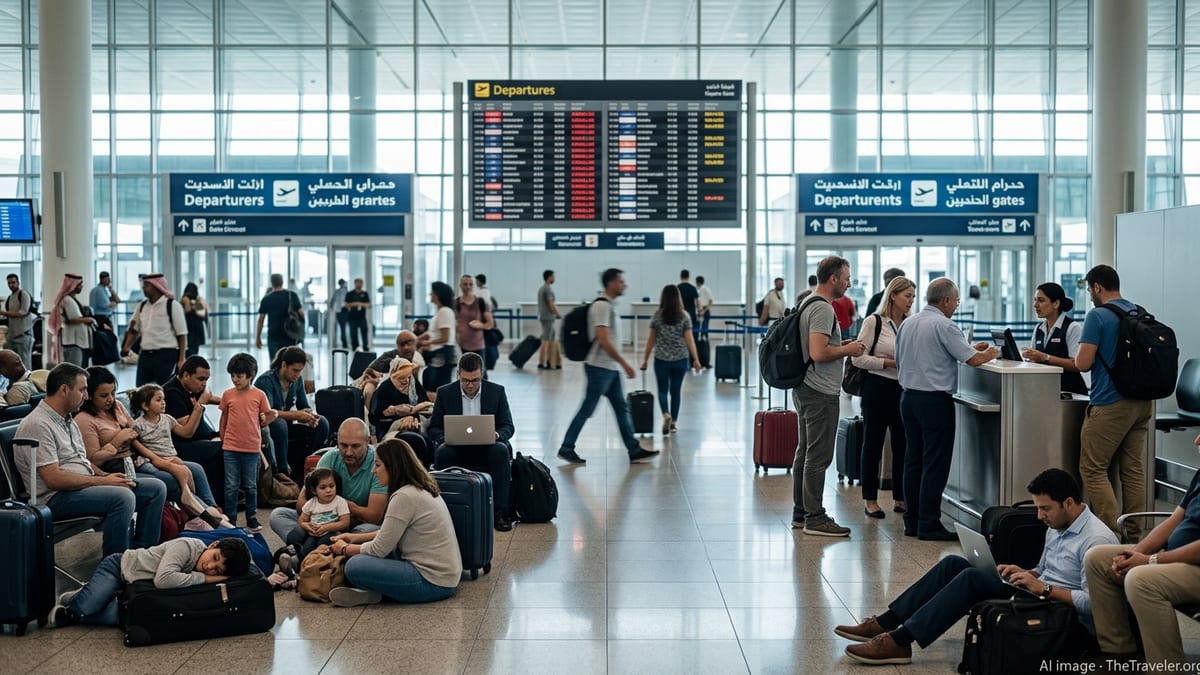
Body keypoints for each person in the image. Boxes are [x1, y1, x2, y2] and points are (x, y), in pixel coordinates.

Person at [838, 469, 1117, 666]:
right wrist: (1026, 573)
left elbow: (1096, 604)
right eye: (1037, 508)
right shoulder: (1058, 522)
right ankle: (886, 623)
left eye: (1045, 509)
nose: (1039, 515)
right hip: (1039, 594)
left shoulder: (1096, 540)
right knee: (953, 564)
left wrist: (1043, 587)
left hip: (1060, 613)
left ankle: (900, 641)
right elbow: (1044, 567)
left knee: (971, 579)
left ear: (1069, 503)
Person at [14, 363, 166, 556]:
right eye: (83, 390)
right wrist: (103, 481)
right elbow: (53, 479)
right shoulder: (38, 424)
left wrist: (107, 477)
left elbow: (82, 461)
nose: (86, 396)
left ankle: (142, 555)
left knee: (155, 488)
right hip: (54, 498)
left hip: (80, 487)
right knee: (122, 497)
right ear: (64, 390)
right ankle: (116, 565)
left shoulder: (66, 419)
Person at [895, 278, 1000, 540]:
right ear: (945, 301)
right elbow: (974, 360)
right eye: (955, 300)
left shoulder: (908, 323)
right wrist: (991, 353)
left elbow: (907, 357)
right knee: (935, 463)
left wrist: (967, 348)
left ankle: (913, 522)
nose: (956, 305)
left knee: (913, 461)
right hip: (934, 402)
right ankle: (929, 524)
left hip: (908, 399)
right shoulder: (945, 324)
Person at [1083, 434, 1200, 667]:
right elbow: (1174, 521)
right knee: (1098, 559)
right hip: (1178, 559)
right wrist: (1133, 553)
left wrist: (1150, 560)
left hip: (1195, 566)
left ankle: (1167, 669)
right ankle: (1119, 655)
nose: (1196, 441)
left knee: (1141, 579)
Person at [75, 366, 221, 526]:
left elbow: (137, 434)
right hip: (117, 467)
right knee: (172, 480)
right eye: (104, 395)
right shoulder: (84, 419)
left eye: (113, 393)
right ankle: (209, 518)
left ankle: (213, 511)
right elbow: (93, 462)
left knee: (196, 470)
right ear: (89, 395)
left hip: (137, 458)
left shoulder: (116, 407)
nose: (111, 399)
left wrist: (158, 457)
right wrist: (116, 443)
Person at [327, 438, 461, 607]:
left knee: (354, 566)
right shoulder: (418, 487)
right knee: (365, 535)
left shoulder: (404, 496)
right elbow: (390, 533)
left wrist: (345, 549)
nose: (373, 471)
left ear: (393, 467)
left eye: (378, 465)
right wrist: (354, 538)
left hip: (432, 582)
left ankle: (377, 593)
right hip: (445, 577)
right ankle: (375, 593)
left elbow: (379, 549)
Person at [1072, 264, 1154, 538]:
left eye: (1089, 289)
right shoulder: (1137, 311)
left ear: (1097, 287)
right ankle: (1134, 534)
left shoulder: (1097, 316)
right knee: (1132, 470)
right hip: (1142, 403)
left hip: (1110, 402)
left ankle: (1110, 534)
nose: (1090, 295)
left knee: (1092, 468)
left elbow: (1083, 363)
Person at [790, 256, 866, 538]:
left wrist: (840, 344)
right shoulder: (822, 309)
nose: (849, 283)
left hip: (806, 387)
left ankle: (801, 513)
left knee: (806, 451)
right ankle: (815, 517)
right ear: (833, 278)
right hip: (820, 391)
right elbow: (818, 353)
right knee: (818, 457)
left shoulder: (807, 302)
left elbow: (818, 346)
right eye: (846, 278)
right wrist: (849, 350)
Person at [557, 268, 658, 466]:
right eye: (621, 281)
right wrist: (624, 363)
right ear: (610, 283)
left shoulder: (609, 305)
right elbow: (603, 339)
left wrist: (618, 365)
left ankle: (634, 449)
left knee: (621, 408)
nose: (624, 284)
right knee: (587, 409)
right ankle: (566, 448)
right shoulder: (601, 307)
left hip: (609, 369)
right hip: (599, 368)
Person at [50, 537, 251, 628]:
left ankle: (86, 597)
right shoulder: (186, 546)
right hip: (119, 568)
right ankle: (73, 608)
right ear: (213, 545)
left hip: (136, 588)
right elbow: (163, 580)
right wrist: (206, 579)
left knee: (115, 618)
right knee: (88, 606)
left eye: (217, 570)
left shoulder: (203, 565)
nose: (209, 567)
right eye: (214, 558)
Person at [429, 352, 515, 531]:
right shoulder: (445, 392)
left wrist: (497, 435)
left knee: (500, 450)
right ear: (458, 374)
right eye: (466, 380)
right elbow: (434, 427)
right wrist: (446, 438)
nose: (470, 385)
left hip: (487, 446)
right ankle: (446, 510)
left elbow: (508, 426)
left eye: (475, 380)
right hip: (455, 447)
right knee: (443, 451)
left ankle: (500, 511)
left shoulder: (496, 392)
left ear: (482, 373)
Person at [851, 276, 915, 518]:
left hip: (903, 389)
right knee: (873, 444)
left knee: (902, 445)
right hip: (877, 389)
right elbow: (858, 358)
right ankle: (870, 499)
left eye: (913, 297)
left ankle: (900, 497)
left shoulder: (910, 323)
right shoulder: (874, 322)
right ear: (893, 296)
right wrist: (887, 363)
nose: (911, 301)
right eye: (907, 296)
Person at [268, 417, 387, 543]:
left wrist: (347, 507)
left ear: (368, 441)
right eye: (343, 445)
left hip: (356, 525)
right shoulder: (329, 458)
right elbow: (301, 502)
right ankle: (327, 550)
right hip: (320, 518)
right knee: (278, 515)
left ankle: (306, 549)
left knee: (369, 530)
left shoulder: (378, 463)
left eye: (355, 446)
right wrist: (314, 519)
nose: (348, 452)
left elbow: (374, 517)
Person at [128, 383, 230, 528]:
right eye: (158, 400)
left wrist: (198, 408)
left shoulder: (167, 419)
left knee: (195, 469)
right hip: (153, 461)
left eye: (163, 399)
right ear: (145, 405)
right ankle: (197, 507)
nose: (163, 402)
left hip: (171, 457)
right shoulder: (138, 425)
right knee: (183, 472)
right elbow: (136, 446)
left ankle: (210, 508)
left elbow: (186, 432)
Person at [219, 352, 277, 533]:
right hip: (230, 447)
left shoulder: (259, 395)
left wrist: (266, 418)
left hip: (252, 448)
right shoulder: (227, 394)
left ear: (250, 376)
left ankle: (251, 517)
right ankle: (231, 518)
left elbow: (267, 417)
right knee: (231, 486)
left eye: (239, 376)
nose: (235, 380)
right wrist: (223, 438)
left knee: (251, 485)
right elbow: (224, 418)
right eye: (233, 376)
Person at [254, 346, 329, 482]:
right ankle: (282, 473)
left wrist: (309, 417)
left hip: (287, 427)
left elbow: (303, 406)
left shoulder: (297, 381)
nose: (298, 375)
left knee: (322, 422)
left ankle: (307, 464)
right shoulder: (266, 381)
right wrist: (297, 415)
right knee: (279, 424)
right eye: (295, 370)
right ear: (284, 365)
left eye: (300, 371)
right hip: (268, 429)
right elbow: (268, 414)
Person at [639, 285, 701, 435]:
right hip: (680, 359)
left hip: (661, 359)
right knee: (676, 391)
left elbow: (651, 340)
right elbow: (689, 340)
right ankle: (673, 423)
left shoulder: (657, 316)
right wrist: (696, 359)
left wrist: (645, 359)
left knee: (662, 390)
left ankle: (666, 414)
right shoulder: (684, 316)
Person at [162, 355, 223, 489]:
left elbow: (212, 398)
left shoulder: (191, 387)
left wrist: (238, 401)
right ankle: (223, 497)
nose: (204, 384)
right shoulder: (172, 393)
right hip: (183, 445)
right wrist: (199, 404)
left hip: (203, 437)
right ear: (186, 375)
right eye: (201, 379)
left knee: (240, 440)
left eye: (206, 379)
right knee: (224, 449)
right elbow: (187, 432)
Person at [120, 274, 187, 386]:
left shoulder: (172, 305)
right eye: (143, 285)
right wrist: (126, 347)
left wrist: (181, 359)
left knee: (164, 389)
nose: (143, 288)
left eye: (147, 286)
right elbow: (134, 330)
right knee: (141, 390)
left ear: (156, 286)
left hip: (166, 355)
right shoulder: (141, 306)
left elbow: (182, 334)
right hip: (145, 355)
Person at [1021, 282, 1088, 395]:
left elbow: (1076, 365)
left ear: (1056, 303)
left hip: (1070, 393)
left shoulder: (1072, 327)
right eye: (1035, 300)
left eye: (1041, 300)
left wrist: (1045, 358)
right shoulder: (1038, 329)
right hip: (1046, 391)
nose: (1035, 305)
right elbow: (1036, 361)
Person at [368, 358, 433, 466]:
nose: (407, 381)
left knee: (425, 441)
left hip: (416, 423)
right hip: (388, 427)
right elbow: (377, 415)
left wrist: (412, 417)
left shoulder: (413, 383)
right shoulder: (384, 388)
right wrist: (403, 417)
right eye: (402, 378)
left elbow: (425, 405)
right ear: (393, 375)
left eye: (408, 377)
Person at [282, 467, 350, 564]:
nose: (328, 490)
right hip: (314, 534)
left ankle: (313, 566)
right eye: (323, 487)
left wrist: (327, 527)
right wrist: (307, 526)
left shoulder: (339, 501)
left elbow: (345, 522)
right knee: (307, 550)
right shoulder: (311, 503)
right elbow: (302, 520)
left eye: (331, 486)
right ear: (314, 491)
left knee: (321, 547)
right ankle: (297, 563)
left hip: (332, 534)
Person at [254, 273, 304, 360]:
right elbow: (302, 313)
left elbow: (261, 320)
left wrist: (258, 337)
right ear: (282, 282)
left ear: (272, 283)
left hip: (274, 335)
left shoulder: (267, 298)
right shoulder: (292, 295)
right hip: (290, 334)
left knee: (275, 363)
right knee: (289, 362)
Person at [418, 281, 456, 391]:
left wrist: (427, 343)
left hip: (442, 354)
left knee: (437, 386)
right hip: (437, 353)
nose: (430, 295)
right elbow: (432, 332)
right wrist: (416, 339)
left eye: (432, 293)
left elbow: (445, 337)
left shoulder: (445, 312)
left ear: (438, 295)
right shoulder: (440, 311)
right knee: (430, 382)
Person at [52, 273, 93, 367]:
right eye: (79, 285)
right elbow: (73, 319)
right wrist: (89, 320)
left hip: (76, 341)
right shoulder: (68, 300)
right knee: (75, 369)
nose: (81, 287)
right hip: (73, 341)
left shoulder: (72, 299)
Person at [453, 274, 492, 370]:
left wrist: (481, 325)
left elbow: (490, 324)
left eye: (470, 284)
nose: (468, 287)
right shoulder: (457, 302)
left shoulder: (480, 302)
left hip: (478, 344)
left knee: (481, 373)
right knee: (465, 373)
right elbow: (455, 321)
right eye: (465, 284)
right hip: (462, 345)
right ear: (460, 286)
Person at [2, 273, 35, 368]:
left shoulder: (23, 294)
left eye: (13, 282)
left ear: (18, 283)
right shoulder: (10, 297)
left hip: (24, 335)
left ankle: (26, 383)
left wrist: (4, 313)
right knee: (10, 365)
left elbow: (23, 312)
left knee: (25, 365)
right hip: (12, 336)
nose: (11, 285)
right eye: (9, 283)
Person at [536, 269, 562, 371]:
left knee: (552, 340)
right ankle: (542, 363)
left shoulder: (542, 289)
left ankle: (554, 362)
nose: (554, 278)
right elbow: (551, 305)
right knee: (546, 340)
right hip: (548, 318)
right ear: (549, 277)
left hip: (545, 317)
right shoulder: (547, 289)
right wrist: (559, 314)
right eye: (553, 276)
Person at [475, 273, 500, 371]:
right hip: (485, 321)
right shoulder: (485, 291)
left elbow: (485, 306)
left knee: (486, 344)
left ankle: (485, 364)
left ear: (480, 281)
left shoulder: (482, 292)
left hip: (483, 321)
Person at [180, 282, 207, 357]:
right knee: (194, 350)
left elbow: (188, 310)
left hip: (189, 327)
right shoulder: (195, 300)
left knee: (190, 350)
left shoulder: (187, 299)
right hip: (195, 328)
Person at [344, 277, 371, 351]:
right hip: (352, 317)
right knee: (353, 334)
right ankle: (355, 347)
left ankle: (365, 346)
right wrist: (356, 304)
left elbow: (368, 305)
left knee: (364, 332)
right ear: (355, 283)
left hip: (362, 317)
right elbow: (345, 304)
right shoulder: (350, 294)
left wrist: (361, 304)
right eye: (359, 282)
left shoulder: (365, 294)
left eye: (361, 283)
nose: (360, 284)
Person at [329, 278, 349, 350]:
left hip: (343, 310)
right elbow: (332, 301)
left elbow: (332, 301)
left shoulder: (343, 291)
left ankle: (345, 343)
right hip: (340, 311)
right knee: (342, 328)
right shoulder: (340, 291)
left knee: (343, 328)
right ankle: (345, 344)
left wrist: (331, 307)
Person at [695, 274, 714, 345]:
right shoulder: (698, 290)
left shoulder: (705, 289)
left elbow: (711, 300)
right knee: (700, 327)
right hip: (700, 309)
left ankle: (705, 343)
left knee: (704, 327)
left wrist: (704, 310)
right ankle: (701, 342)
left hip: (704, 309)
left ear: (698, 282)